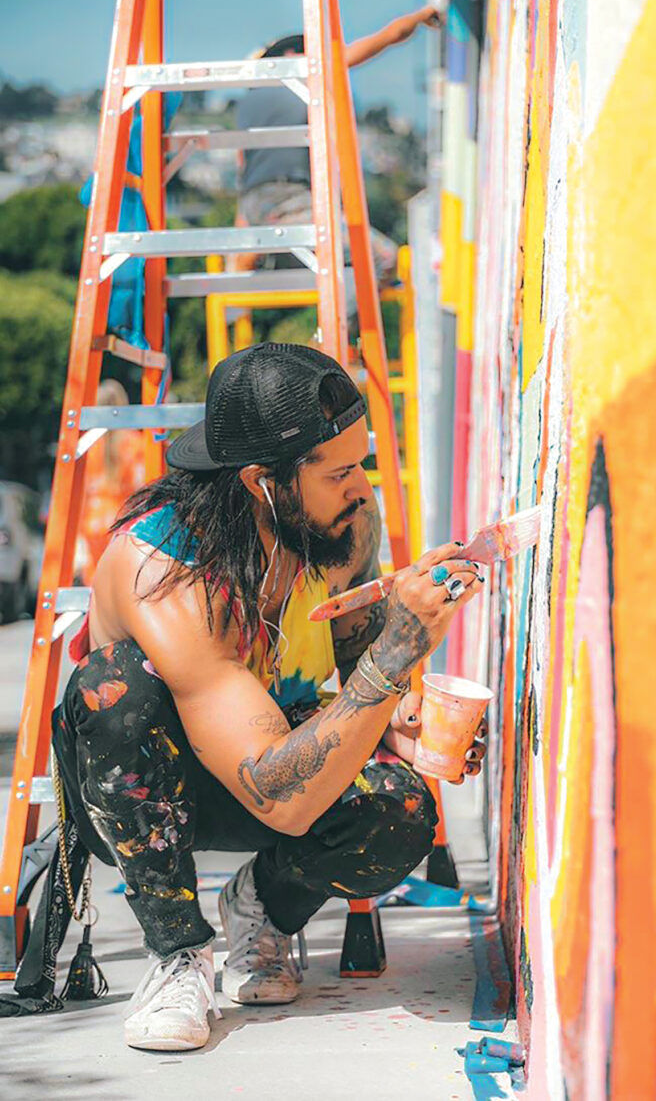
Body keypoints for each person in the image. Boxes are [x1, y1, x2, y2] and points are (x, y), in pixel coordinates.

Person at [53, 342, 486, 1052]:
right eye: (341, 472)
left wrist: (412, 726)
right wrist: (396, 652)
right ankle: (177, 953)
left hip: (268, 755)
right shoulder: (161, 569)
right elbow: (275, 793)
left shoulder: (340, 526)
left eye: (361, 465)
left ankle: (259, 911)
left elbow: (359, 685)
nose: (361, 489)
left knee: (401, 807)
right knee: (112, 688)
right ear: (263, 482)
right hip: (149, 796)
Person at [233, 7, 440, 279]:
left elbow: (244, 173)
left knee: (275, 268)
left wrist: (240, 246)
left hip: (258, 205)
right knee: (384, 259)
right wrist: (423, 14)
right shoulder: (309, 77)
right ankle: (349, 322)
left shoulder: (247, 106)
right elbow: (392, 34)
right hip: (294, 202)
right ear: (291, 57)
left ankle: (242, 299)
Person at [75, 380, 144, 585]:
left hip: (93, 523)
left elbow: (80, 493)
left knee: (96, 590)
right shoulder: (135, 443)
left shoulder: (86, 445)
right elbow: (144, 485)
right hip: (125, 522)